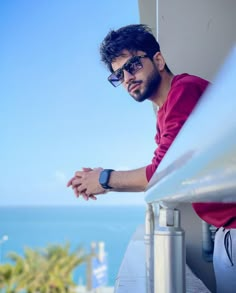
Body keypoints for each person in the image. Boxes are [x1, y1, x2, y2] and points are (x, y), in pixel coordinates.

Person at [67, 24, 236, 292]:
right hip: (227, 230)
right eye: (118, 75)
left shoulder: (184, 90)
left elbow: (164, 172)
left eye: (132, 65)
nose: (126, 78)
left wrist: (104, 179)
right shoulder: (164, 113)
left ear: (158, 60)